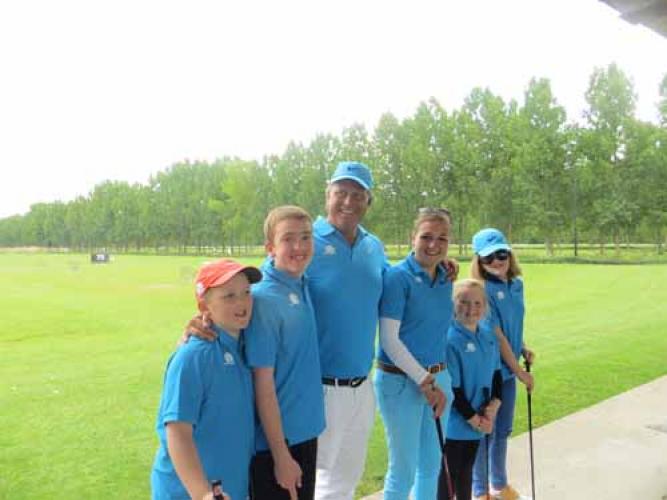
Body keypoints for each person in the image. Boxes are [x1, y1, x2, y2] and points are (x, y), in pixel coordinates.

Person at [307, 161, 388, 500]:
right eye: (341, 192)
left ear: (368, 201)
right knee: (307, 482)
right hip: (318, 387)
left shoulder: (373, 246)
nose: (348, 202)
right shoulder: (305, 240)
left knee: (345, 481)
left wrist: (439, 268)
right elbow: (265, 288)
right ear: (328, 194)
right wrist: (208, 317)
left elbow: (396, 286)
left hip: (362, 387)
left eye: (358, 195)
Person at [151, 259, 262, 500]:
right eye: (229, 296)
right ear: (204, 305)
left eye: (246, 292)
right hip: (186, 493)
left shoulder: (242, 345)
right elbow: (177, 432)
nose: (242, 302)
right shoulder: (193, 356)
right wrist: (203, 494)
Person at [373, 207, 455, 500]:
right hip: (400, 382)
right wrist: (425, 381)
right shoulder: (397, 277)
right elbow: (389, 340)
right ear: (413, 237)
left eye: (442, 238)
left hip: (438, 378)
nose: (434, 244)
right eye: (426, 236)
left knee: (431, 465)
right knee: (403, 470)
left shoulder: (445, 276)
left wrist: (435, 381)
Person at [245, 206, 325, 500]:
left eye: (305, 237)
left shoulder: (301, 282)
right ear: (270, 247)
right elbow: (262, 384)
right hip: (277, 445)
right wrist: (281, 456)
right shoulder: (264, 299)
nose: (299, 247)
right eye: (288, 239)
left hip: (304, 434)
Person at [469, 228, 535, 500]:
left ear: (509, 254)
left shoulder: (516, 285)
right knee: (486, 431)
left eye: (501, 254)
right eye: (488, 258)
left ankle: (499, 484)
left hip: (508, 370)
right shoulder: (482, 291)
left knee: (503, 430)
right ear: (479, 261)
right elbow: (496, 335)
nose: (496, 261)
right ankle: (480, 491)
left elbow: (513, 325)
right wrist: (520, 372)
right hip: (489, 371)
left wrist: (523, 347)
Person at [445, 279, 502, 500]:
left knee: (466, 473)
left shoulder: (488, 335)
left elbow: (496, 374)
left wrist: (494, 406)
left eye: (478, 303)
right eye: (464, 302)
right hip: (456, 423)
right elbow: (454, 390)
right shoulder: (450, 339)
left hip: (480, 419)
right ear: (453, 303)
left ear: (485, 306)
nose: (471, 309)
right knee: (448, 479)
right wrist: (477, 421)